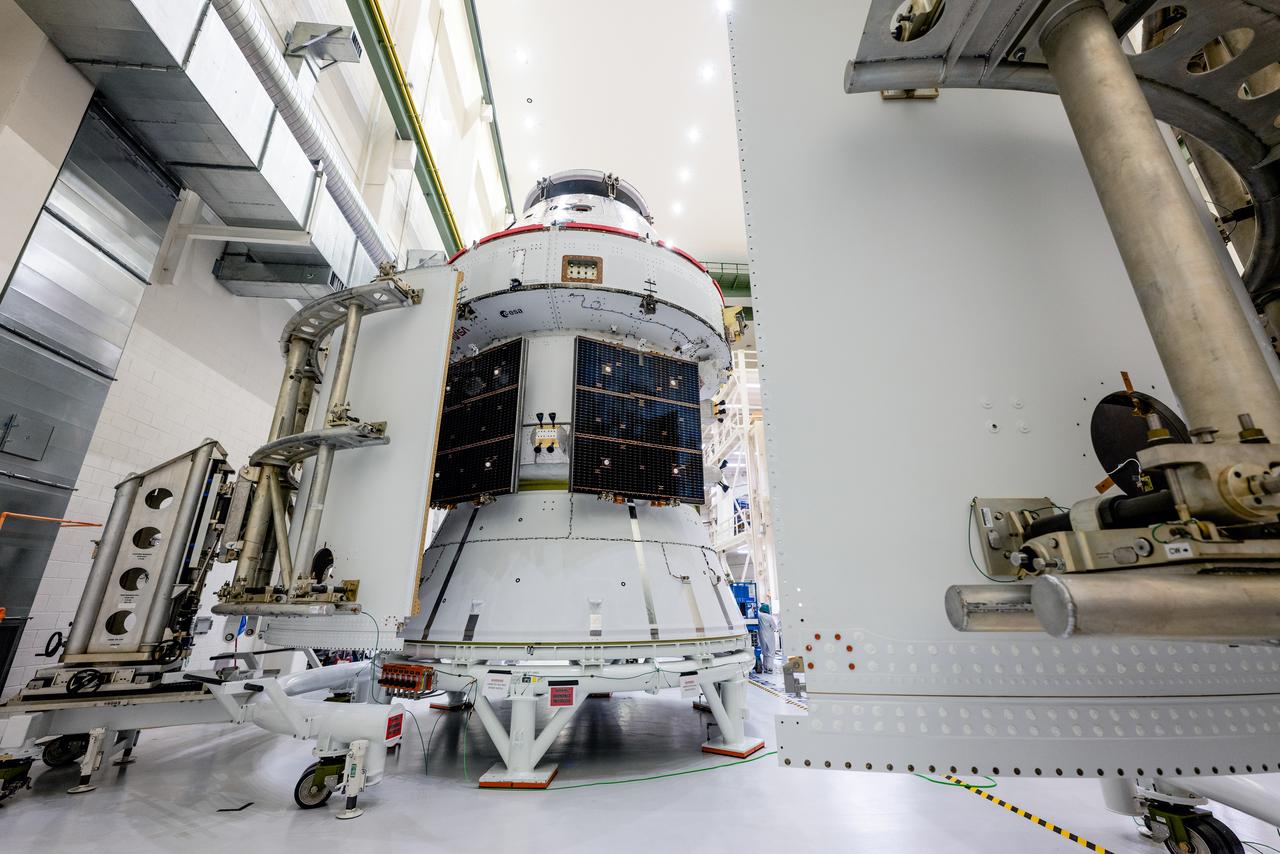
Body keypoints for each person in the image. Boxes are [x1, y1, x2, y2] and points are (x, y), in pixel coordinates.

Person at [758, 602, 778, 674]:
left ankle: (765, 667)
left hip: (761, 636)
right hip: (769, 636)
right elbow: (775, 627)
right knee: (771, 652)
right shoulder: (769, 617)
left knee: (764, 652)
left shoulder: (759, 616)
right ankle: (769, 668)